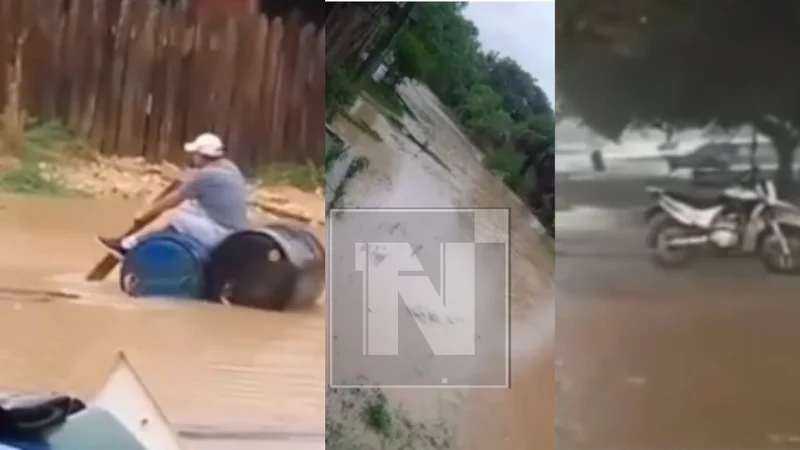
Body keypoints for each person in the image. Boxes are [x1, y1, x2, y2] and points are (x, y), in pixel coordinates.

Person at [97, 132, 250, 257]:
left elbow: (173, 199)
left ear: (200, 155)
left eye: (195, 154)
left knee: (171, 215)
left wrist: (145, 214)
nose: (192, 157)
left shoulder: (206, 176)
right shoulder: (229, 167)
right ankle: (143, 241)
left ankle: (127, 245)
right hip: (233, 230)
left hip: (220, 233)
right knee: (189, 207)